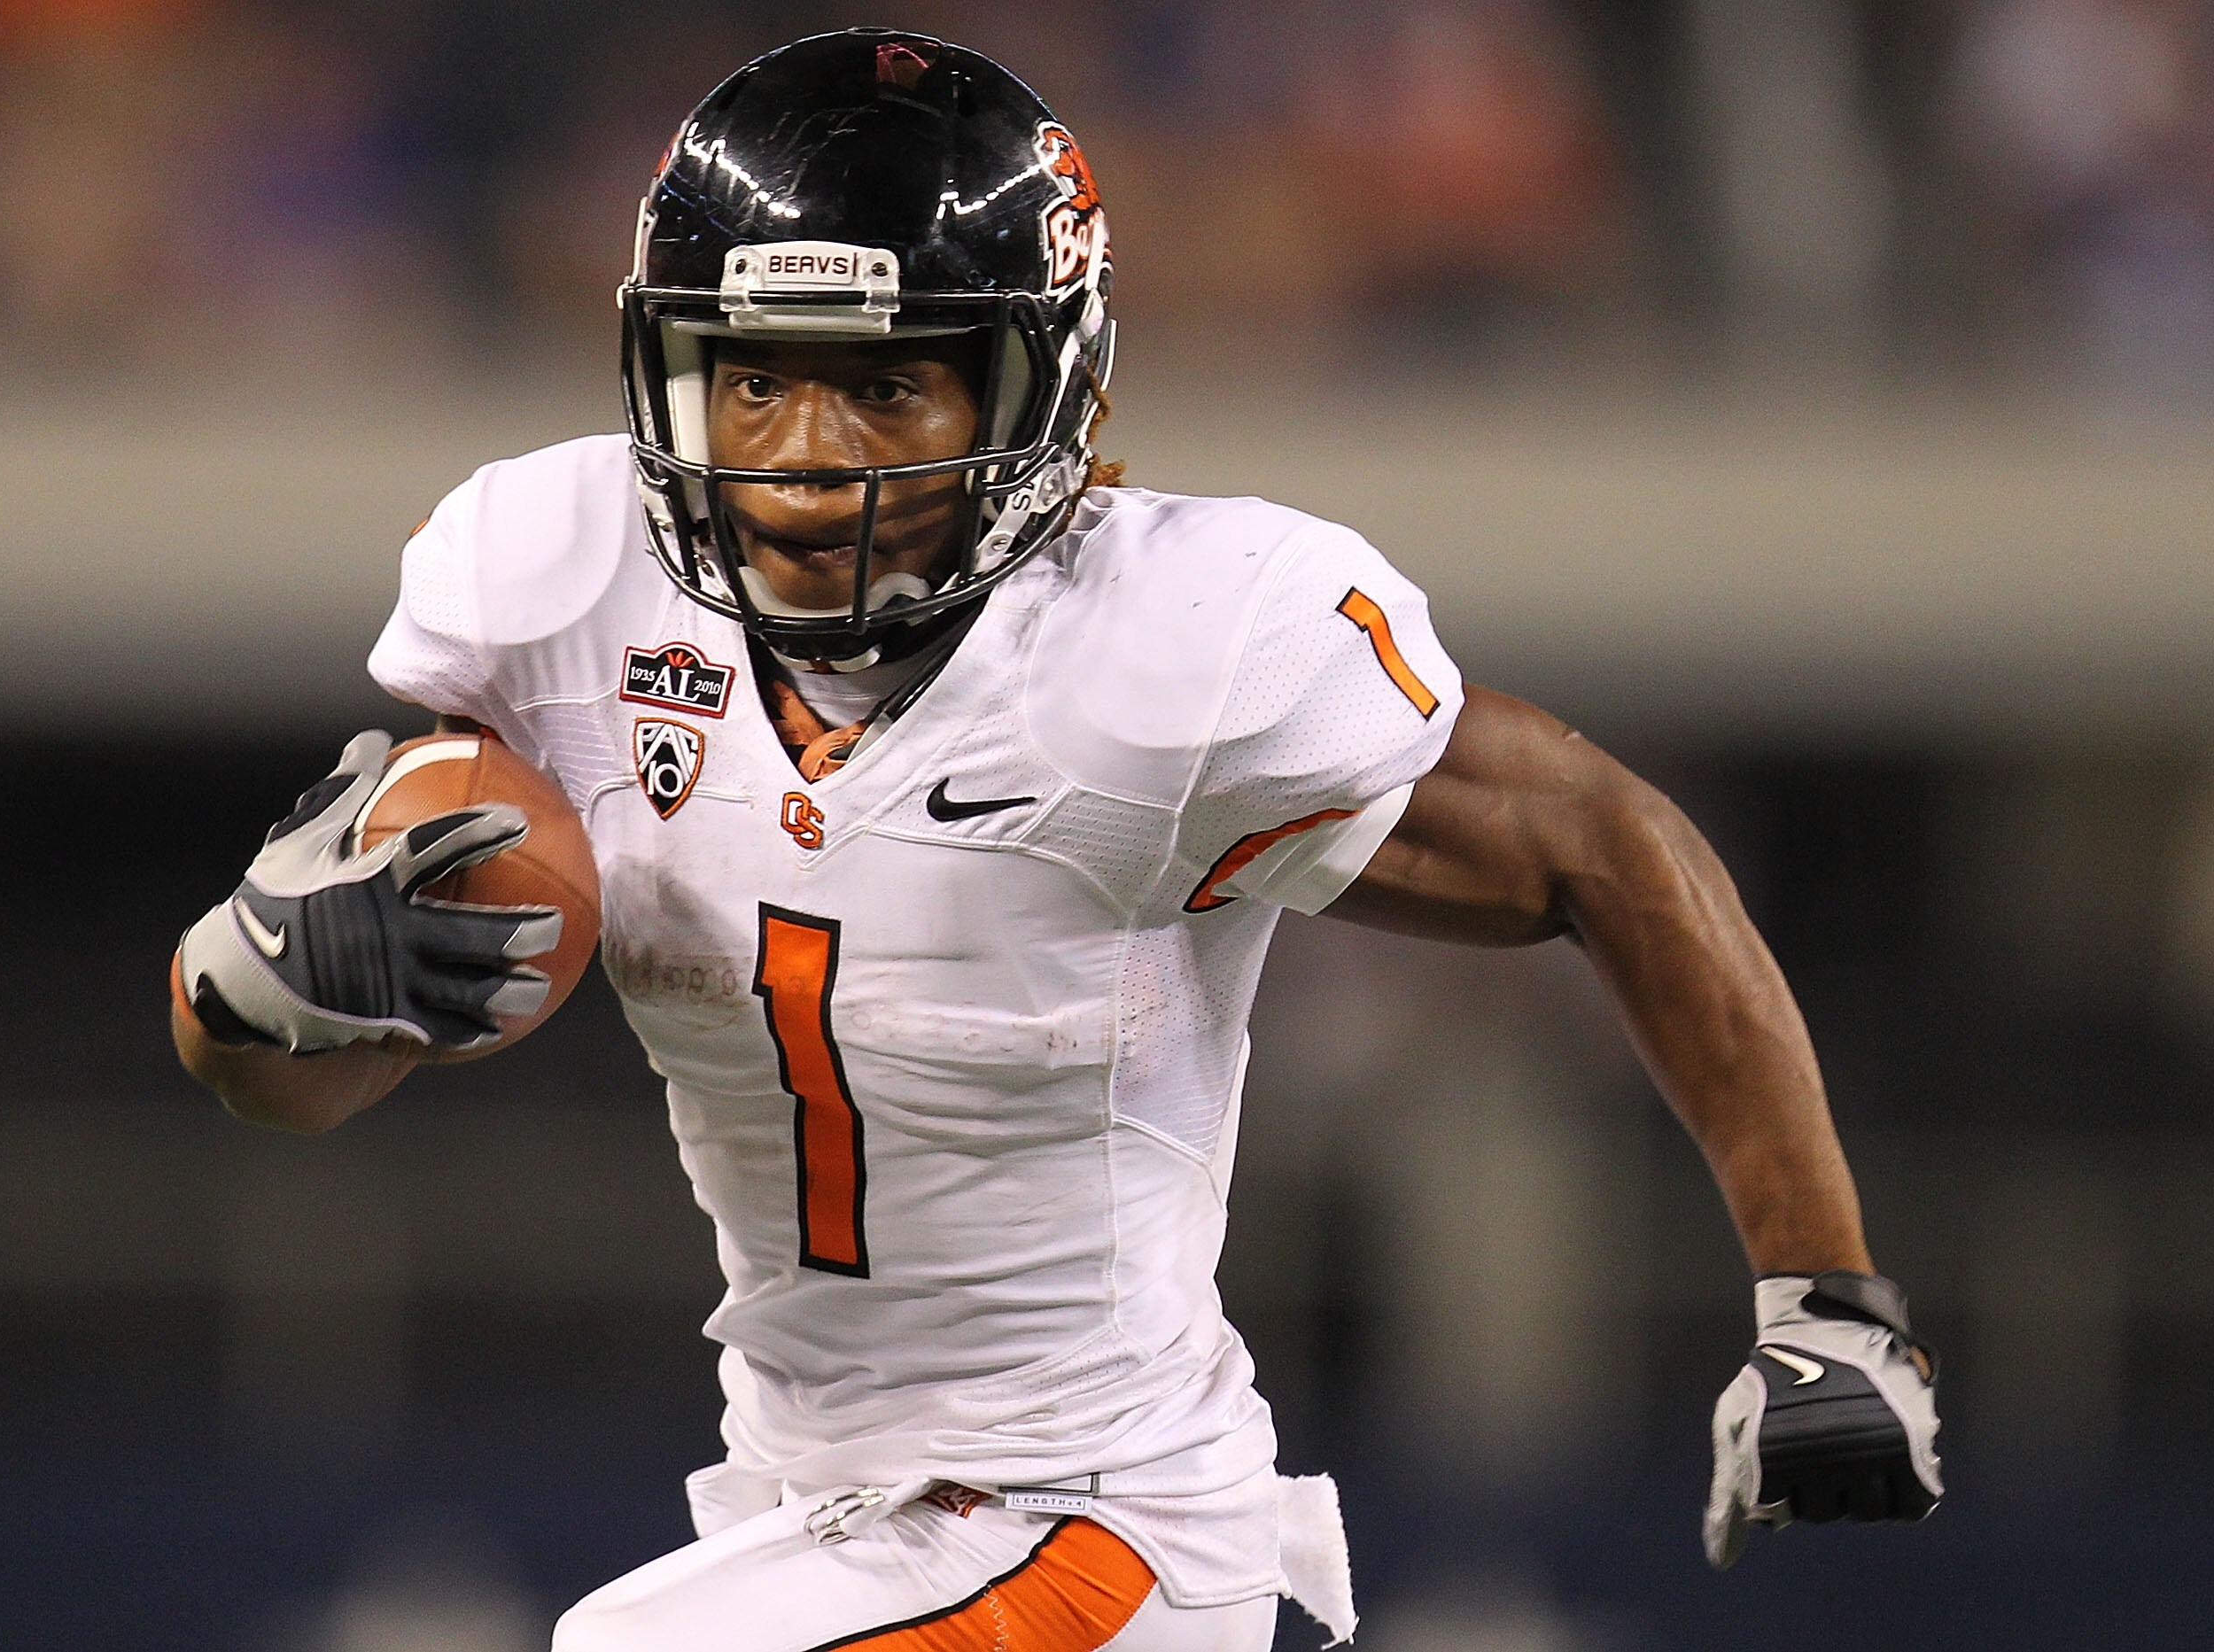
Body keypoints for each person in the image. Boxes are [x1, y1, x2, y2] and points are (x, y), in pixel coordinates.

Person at [170, 29, 1941, 1651]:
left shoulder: (1167, 655)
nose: (803, 460)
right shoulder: (560, 593)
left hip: (1109, 1527)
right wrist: (252, 976)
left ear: (1043, 400)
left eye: (889, 393)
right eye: (758, 382)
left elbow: (1599, 849)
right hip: (809, 1512)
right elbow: (285, 1075)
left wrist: (1827, 1299)